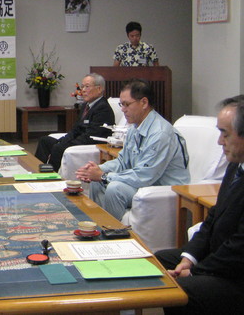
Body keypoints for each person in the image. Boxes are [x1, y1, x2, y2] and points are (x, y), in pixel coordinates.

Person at [155, 95, 244, 314]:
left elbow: (238, 248)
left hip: (236, 275)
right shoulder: (236, 165)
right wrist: (189, 258)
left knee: (181, 290)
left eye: (225, 133)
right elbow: (213, 218)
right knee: (159, 260)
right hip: (220, 258)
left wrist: (196, 271)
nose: (219, 141)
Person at [76, 79, 189, 220]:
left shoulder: (160, 133)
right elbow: (123, 162)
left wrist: (104, 176)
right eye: (121, 105)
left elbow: (144, 175)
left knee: (114, 189)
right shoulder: (134, 128)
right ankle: (99, 224)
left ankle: (114, 230)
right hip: (145, 184)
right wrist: (97, 170)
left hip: (164, 189)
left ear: (144, 103)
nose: (123, 109)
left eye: (127, 104)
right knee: (96, 182)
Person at [34, 73, 115, 171]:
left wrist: (66, 144)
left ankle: (51, 175)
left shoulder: (103, 108)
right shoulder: (86, 105)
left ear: (99, 89)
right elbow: (76, 129)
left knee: (58, 148)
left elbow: (90, 136)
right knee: (45, 141)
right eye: (82, 86)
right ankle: (36, 170)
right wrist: (63, 140)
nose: (83, 90)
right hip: (78, 141)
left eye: (87, 86)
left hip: (89, 145)